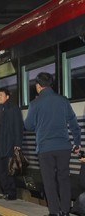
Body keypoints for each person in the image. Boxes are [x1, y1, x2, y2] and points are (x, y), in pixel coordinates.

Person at [24, 72, 81, 216]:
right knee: (64, 179)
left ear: (38, 86)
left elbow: (28, 125)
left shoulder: (35, 103)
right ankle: (66, 211)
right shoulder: (63, 100)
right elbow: (73, 123)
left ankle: (54, 212)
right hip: (63, 147)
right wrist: (77, 142)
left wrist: (39, 123)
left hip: (45, 148)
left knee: (49, 181)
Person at [0, 87, 23, 201]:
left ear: (7, 97)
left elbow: (18, 126)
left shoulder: (13, 109)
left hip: (9, 144)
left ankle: (11, 193)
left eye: (1, 95)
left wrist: (17, 143)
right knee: (1, 169)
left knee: (9, 169)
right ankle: (5, 191)